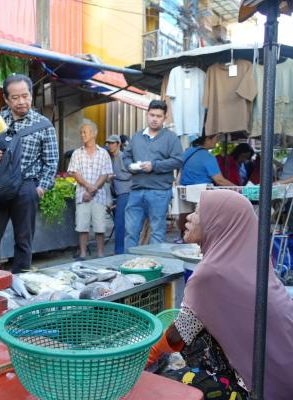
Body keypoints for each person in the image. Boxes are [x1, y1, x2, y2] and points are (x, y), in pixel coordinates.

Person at [146, 190, 293, 400]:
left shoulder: (211, 274)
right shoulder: (254, 261)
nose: (189, 217)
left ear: (217, 223)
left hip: (260, 389)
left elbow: (179, 332)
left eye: (198, 212)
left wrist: (145, 358)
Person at [0, 74, 58, 273]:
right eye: (15, 97)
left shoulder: (44, 125)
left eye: (25, 96)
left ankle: (20, 280)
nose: (22, 101)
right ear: (6, 99)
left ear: (31, 95)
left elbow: (51, 161)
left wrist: (40, 188)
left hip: (26, 187)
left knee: (23, 240)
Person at [123, 100, 183, 249]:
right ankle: (127, 261)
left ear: (165, 118)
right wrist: (130, 166)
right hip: (136, 190)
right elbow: (126, 156)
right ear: (147, 114)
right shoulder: (136, 136)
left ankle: (154, 262)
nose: (154, 119)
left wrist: (154, 166)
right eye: (152, 115)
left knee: (157, 233)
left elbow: (178, 161)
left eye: (159, 116)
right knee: (130, 232)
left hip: (159, 192)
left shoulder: (171, 137)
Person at [67, 120, 113, 259]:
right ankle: (82, 254)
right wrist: (88, 187)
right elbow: (75, 172)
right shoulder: (77, 153)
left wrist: (93, 189)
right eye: (81, 133)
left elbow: (105, 173)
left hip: (99, 196)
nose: (82, 135)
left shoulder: (103, 153)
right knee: (82, 226)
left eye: (85, 132)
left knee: (100, 227)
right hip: (82, 195)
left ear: (93, 134)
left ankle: (100, 254)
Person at [177, 134, 235, 239]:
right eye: (216, 139)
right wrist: (237, 188)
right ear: (208, 139)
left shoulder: (187, 153)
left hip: (185, 193)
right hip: (203, 194)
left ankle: (185, 238)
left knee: (187, 217)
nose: (217, 142)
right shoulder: (208, 157)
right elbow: (219, 180)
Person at [106, 135, 132, 254]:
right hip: (118, 193)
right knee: (119, 223)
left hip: (125, 192)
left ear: (118, 144)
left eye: (112, 143)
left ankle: (119, 251)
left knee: (120, 222)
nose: (110, 145)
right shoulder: (112, 157)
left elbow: (129, 174)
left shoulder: (122, 156)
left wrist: (114, 176)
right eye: (108, 143)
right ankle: (121, 250)